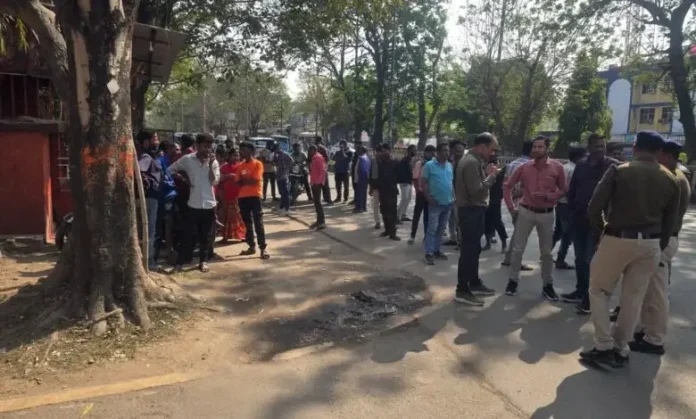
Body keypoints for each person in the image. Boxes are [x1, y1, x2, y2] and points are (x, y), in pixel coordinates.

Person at [580, 131, 680, 368]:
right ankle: (620, 348)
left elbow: (594, 208)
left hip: (618, 237)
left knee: (598, 290)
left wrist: (603, 229)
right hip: (651, 243)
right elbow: (671, 222)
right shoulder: (671, 178)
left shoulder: (619, 170)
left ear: (634, 148)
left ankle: (603, 346)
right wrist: (659, 244)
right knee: (633, 298)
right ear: (659, 152)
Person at [630, 139, 691, 356]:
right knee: (648, 291)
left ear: (665, 155)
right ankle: (644, 330)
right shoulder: (675, 176)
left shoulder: (674, 178)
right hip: (662, 239)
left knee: (656, 293)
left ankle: (655, 339)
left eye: (657, 153)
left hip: (663, 240)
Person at [503, 135, 566, 300]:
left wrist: (549, 196)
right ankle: (512, 281)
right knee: (518, 250)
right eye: (534, 147)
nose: (536, 149)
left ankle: (547, 285)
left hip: (547, 213)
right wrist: (511, 208)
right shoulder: (524, 167)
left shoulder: (557, 167)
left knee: (546, 253)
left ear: (547, 149)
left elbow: (563, 189)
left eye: (540, 146)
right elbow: (507, 186)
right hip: (526, 211)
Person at [561, 133, 617, 313]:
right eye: (597, 146)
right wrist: (570, 212)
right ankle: (580, 290)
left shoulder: (613, 166)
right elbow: (572, 190)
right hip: (578, 219)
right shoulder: (581, 165)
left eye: (603, 146)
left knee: (590, 259)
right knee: (579, 259)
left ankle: (589, 298)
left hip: (598, 222)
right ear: (589, 148)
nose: (600, 149)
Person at [455, 133, 500, 305]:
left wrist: (486, 173)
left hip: (475, 210)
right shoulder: (471, 162)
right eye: (492, 149)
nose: (493, 153)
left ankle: (473, 282)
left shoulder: (475, 161)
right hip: (470, 211)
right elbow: (477, 191)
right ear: (482, 147)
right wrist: (492, 176)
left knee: (474, 250)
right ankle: (462, 290)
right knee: (468, 251)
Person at [167, 133, 220, 272]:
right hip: (193, 204)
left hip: (209, 204)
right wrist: (183, 179)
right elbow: (170, 170)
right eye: (204, 146)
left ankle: (203, 262)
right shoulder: (187, 159)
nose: (207, 150)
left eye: (209, 147)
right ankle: (179, 263)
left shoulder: (213, 162)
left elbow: (214, 181)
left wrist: (210, 165)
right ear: (197, 145)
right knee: (187, 235)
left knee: (205, 236)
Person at [552, 147, 587, 270]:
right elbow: (570, 190)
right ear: (578, 157)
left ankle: (545, 253)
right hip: (568, 205)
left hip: (559, 203)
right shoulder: (575, 170)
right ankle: (560, 259)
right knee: (568, 234)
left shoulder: (564, 167)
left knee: (558, 231)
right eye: (585, 156)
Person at [501, 140, 534, 271]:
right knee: (521, 234)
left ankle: (509, 258)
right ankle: (514, 260)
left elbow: (505, 184)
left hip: (512, 202)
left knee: (518, 232)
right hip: (524, 202)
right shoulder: (530, 166)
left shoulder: (511, 164)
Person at [421, 143, 454, 265]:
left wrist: (453, 197)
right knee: (432, 228)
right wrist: (428, 198)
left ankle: (436, 250)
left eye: (448, 151)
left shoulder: (450, 166)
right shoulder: (429, 165)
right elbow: (423, 183)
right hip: (435, 204)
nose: (447, 153)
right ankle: (428, 253)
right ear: (438, 152)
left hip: (448, 203)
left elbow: (450, 182)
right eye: (444, 150)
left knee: (441, 229)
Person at [236, 142, 270, 259]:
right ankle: (251, 246)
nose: (242, 152)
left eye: (244, 149)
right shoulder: (240, 166)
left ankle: (263, 248)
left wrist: (244, 181)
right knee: (247, 224)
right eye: (241, 150)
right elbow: (237, 182)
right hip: (242, 198)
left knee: (258, 223)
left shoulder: (258, 164)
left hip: (255, 197)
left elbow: (255, 180)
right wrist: (247, 181)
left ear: (251, 151)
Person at [136, 130, 162, 271]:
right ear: (146, 142)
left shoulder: (150, 156)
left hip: (150, 197)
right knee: (149, 230)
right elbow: (139, 170)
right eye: (155, 139)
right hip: (149, 198)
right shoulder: (145, 157)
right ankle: (149, 262)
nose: (157, 142)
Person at [157, 141, 180, 263]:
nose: (177, 152)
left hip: (174, 195)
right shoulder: (161, 161)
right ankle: (168, 249)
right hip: (166, 196)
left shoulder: (174, 161)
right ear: (169, 149)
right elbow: (162, 180)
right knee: (167, 223)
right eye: (175, 149)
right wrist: (173, 184)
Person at [409, 145, 435, 245]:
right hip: (421, 193)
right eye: (431, 152)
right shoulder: (420, 163)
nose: (432, 154)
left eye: (433, 153)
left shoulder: (433, 164)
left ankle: (426, 236)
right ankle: (412, 236)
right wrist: (417, 190)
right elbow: (415, 178)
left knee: (428, 216)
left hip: (430, 193)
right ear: (426, 152)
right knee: (417, 215)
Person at [219, 148, 246, 243]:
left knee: (238, 216)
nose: (236, 157)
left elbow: (245, 178)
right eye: (234, 155)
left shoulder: (241, 166)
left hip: (238, 195)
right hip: (226, 195)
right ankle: (225, 236)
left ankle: (242, 235)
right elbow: (218, 179)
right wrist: (228, 176)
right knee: (225, 216)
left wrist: (236, 177)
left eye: (237, 155)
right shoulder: (224, 167)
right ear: (229, 156)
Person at [375, 144, 400, 240]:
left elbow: (400, 175)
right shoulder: (380, 163)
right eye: (382, 151)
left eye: (385, 151)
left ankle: (393, 233)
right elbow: (375, 176)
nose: (383, 153)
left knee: (392, 212)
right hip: (382, 191)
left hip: (391, 191)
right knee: (384, 211)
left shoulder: (395, 162)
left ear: (389, 151)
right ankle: (387, 230)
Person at [483, 156, 508, 252]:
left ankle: (503, 244)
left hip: (495, 201)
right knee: (487, 222)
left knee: (497, 222)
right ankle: (488, 243)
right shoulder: (484, 173)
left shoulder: (499, 174)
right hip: (487, 201)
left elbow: (506, 170)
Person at [444, 140, 466, 246]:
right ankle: (453, 238)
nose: (458, 153)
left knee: (459, 219)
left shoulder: (466, 162)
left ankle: (461, 239)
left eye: (461, 151)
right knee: (451, 217)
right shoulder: (448, 162)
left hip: (460, 195)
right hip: (449, 193)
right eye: (456, 150)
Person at [308, 145, 327, 230]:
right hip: (314, 183)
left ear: (314, 150)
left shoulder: (318, 158)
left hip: (317, 184)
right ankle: (318, 221)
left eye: (310, 150)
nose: (309, 152)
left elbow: (323, 171)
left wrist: (318, 183)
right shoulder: (313, 158)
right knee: (316, 202)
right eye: (309, 151)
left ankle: (322, 222)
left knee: (318, 203)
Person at [397, 145, 416, 222]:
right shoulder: (405, 160)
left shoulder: (411, 160)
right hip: (404, 182)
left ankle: (403, 214)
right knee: (404, 198)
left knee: (408, 198)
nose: (415, 151)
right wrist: (403, 181)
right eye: (414, 150)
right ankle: (397, 216)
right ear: (409, 151)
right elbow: (401, 172)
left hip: (409, 182)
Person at [274, 144, 295, 215]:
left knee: (285, 193)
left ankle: (287, 209)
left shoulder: (285, 155)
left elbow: (292, 161)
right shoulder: (276, 155)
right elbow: (274, 163)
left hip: (284, 176)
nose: (276, 150)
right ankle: (281, 208)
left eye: (277, 149)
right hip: (279, 176)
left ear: (279, 148)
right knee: (282, 193)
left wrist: (287, 168)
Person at [352, 146, 371, 214]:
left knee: (359, 193)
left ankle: (359, 208)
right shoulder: (367, 158)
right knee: (364, 193)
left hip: (361, 178)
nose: (357, 151)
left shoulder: (361, 158)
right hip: (365, 178)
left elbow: (361, 169)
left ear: (362, 151)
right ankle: (364, 207)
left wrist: (358, 178)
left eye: (359, 150)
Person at [369, 144, 384, 230]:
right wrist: (370, 187)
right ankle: (377, 222)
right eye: (377, 152)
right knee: (375, 205)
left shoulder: (386, 161)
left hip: (384, 187)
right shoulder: (373, 161)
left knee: (384, 205)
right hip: (375, 186)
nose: (378, 153)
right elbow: (371, 175)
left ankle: (385, 221)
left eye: (379, 152)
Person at [315, 136, 332, 205]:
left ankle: (320, 200)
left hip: (315, 169)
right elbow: (327, 159)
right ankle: (328, 200)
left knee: (317, 185)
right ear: (321, 140)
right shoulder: (323, 148)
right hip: (322, 168)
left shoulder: (312, 147)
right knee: (325, 184)